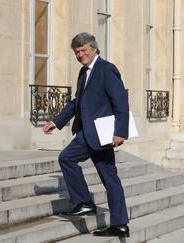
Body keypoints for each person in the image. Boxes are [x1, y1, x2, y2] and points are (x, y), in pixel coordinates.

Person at [42, 32, 130, 237]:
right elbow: (76, 102)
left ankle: (98, 211)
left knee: (79, 164)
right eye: (77, 52)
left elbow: (121, 103)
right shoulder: (84, 72)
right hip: (87, 132)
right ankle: (103, 214)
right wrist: (56, 121)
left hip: (103, 134)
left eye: (84, 50)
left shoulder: (106, 69)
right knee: (74, 161)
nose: (81, 55)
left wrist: (120, 132)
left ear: (94, 49)